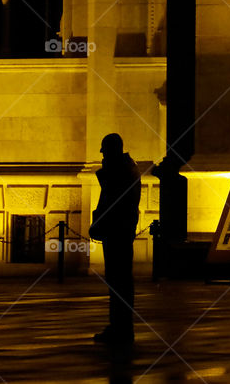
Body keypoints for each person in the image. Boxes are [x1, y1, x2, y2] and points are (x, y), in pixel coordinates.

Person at [89, 133, 141, 344]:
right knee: (118, 280)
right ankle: (119, 326)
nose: (102, 155)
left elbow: (112, 198)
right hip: (120, 230)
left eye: (105, 150)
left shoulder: (121, 171)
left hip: (117, 231)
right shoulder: (126, 169)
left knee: (118, 280)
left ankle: (121, 328)